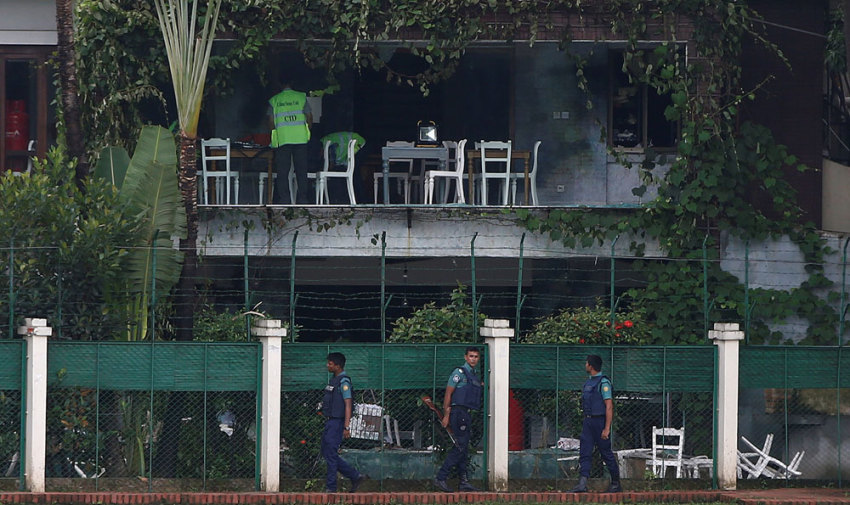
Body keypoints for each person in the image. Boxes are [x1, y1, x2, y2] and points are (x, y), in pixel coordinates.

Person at [568, 354, 622, 493]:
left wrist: (607, 428)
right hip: (588, 421)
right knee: (584, 452)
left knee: (605, 453)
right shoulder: (588, 382)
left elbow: (609, 406)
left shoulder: (603, 383)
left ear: (591, 366)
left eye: (586, 363)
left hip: (599, 421)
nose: (585, 365)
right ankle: (582, 484)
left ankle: (616, 483)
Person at [433, 346, 482, 493]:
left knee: (464, 448)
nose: (473, 359)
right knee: (460, 446)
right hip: (457, 413)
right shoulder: (459, 373)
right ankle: (441, 477)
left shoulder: (473, 374)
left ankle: (463, 482)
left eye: (476, 357)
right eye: (471, 356)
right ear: (465, 357)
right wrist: (446, 414)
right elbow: (449, 394)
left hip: (465, 413)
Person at [320, 352, 367, 493]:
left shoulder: (343, 382)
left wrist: (347, 426)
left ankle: (331, 487)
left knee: (331, 453)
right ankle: (355, 475)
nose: (327, 365)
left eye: (330, 363)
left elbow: (348, 404)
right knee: (327, 452)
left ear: (338, 366)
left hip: (337, 422)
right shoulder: (334, 380)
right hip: (330, 422)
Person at [268, 76, 312, 204]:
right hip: (301, 139)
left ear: (280, 84)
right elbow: (309, 117)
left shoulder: (274, 100)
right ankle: (303, 200)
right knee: (301, 171)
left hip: (283, 139)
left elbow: (271, 122)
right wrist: (307, 131)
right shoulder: (301, 97)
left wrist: (276, 132)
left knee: (283, 172)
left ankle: (284, 201)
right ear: (292, 83)